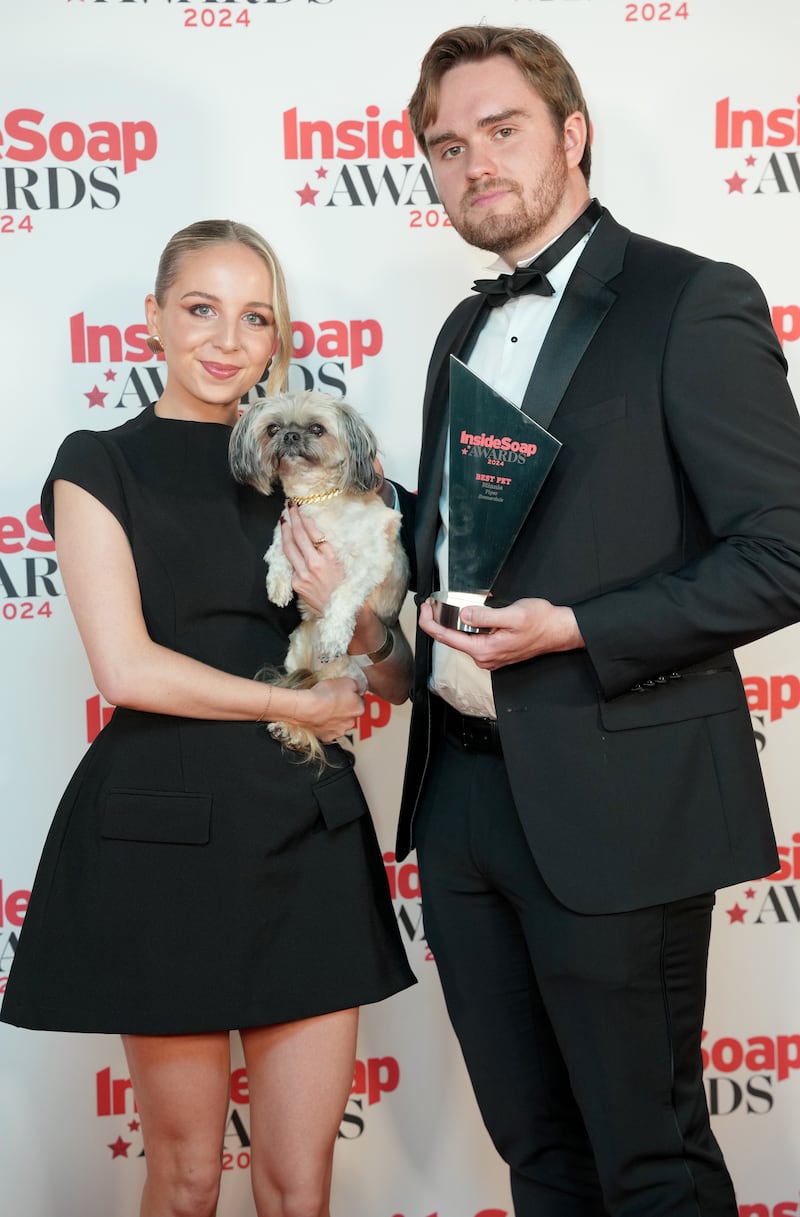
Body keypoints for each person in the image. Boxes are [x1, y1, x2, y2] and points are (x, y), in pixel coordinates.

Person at [393, 24, 800, 1217]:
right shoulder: (460, 331)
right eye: (445, 146)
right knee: (538, 1153)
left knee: (647, 1160)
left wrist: (576, 627)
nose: (472, 163)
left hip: (621, 796)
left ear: (572, 134)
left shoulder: (690, 299)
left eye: (501, 129)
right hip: (461, 800)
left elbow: (781, 554)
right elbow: (472, 538)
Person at [0, 218, 415, 1217]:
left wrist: (354, 620)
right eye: (200, 309)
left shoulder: (320, 460)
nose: (227, 339)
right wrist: (294, 701)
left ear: (278, 335)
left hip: (305, 831)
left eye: (255, 316)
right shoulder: (98, 460)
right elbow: (127, 668)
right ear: (152, 319)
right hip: (164, 831)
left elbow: (397, 679)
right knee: (186, 1179)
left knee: (296, 1182)